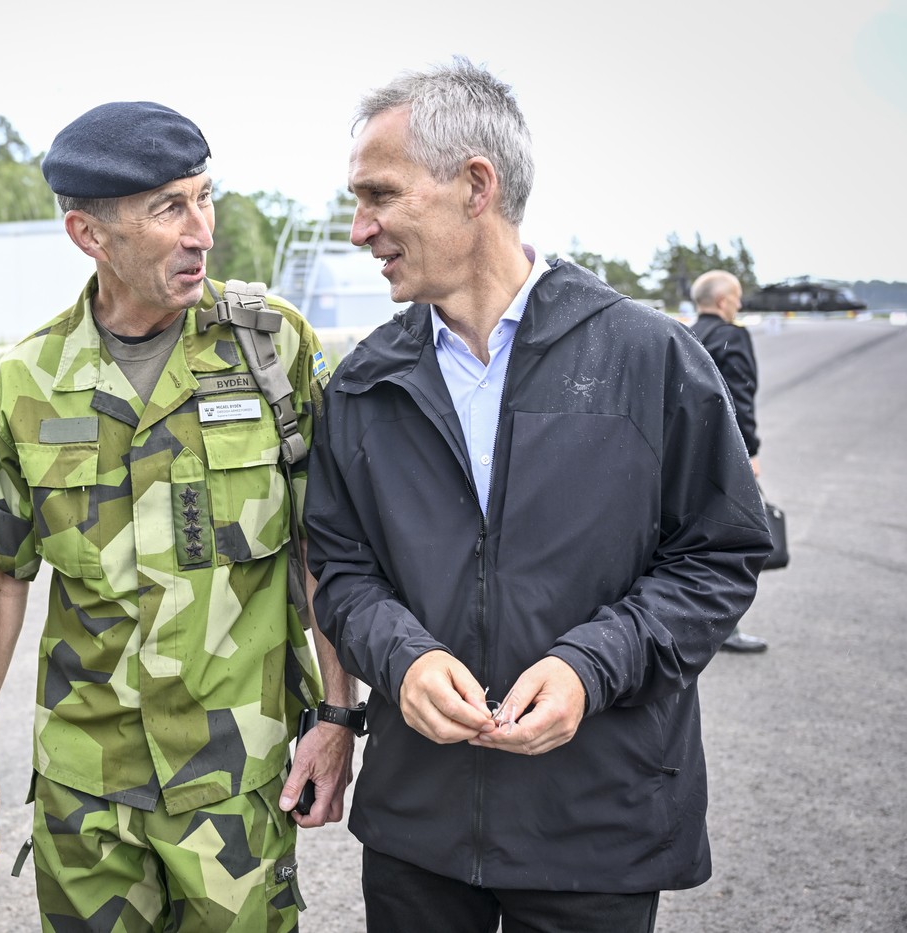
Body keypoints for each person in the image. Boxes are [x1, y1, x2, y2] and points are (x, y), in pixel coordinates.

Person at [303, 59, 772, 932]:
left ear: (476, 185)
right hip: (419, 837)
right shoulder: (363, 384)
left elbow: (719, 557)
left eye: (380, 195)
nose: (360, 228)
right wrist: (400, 656)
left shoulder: (651, 359)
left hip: (596, 831)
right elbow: (340, 568)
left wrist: (593, 665)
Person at [0, 100, 356, 932]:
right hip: (85, 788)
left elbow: (323, 552)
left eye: (206, 197)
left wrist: (340, 717)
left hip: (236, 780)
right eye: (170, 208)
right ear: (89, 236)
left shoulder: (271, 348)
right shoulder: (28, 380)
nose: (202, 231)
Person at [691, 269, 770, 653]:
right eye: (736, 299)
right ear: (723, 302)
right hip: (723, 456)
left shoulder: (684, 334)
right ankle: (726, 629)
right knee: (729, 543)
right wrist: (749, 451)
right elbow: (740, 397)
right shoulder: (732, 336)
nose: (738, 306)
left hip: (683, 458)